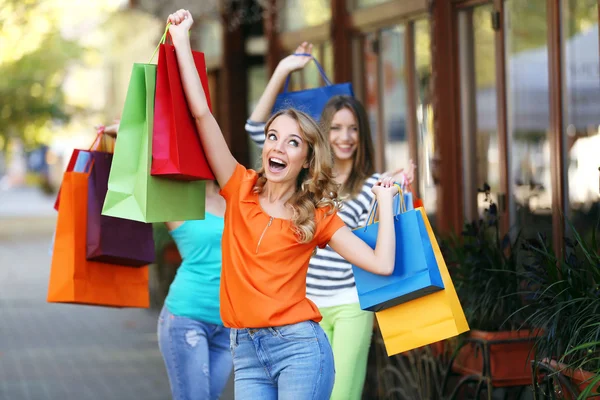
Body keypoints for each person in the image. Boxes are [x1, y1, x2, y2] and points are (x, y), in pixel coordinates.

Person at [167, 9, 400, 399]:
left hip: (300, 349)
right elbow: (201, 114)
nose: (278, 146)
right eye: (273, 136)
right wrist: (180, 40)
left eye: (293, 142)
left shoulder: (317, 214)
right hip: (246, 349)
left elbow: (382, 264)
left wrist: (386, 202)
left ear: (306, 159)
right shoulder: (238, 185)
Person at [245, 45, 415, 400]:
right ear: (323, 133)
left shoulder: (372, 184)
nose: (345, 137)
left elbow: (392, 213)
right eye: (336, 128)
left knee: (343, 395)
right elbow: (255, 126)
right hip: (306, 307)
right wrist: (283, 69)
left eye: (353, 129)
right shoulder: (303, 178)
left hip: (352, 303)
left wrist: (400, 186)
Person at [107, 122, 232, 400]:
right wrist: (127, 136)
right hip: (187, 319)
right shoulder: (178, 204)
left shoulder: (236, 199)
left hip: (229, 325)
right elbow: (140, 176)